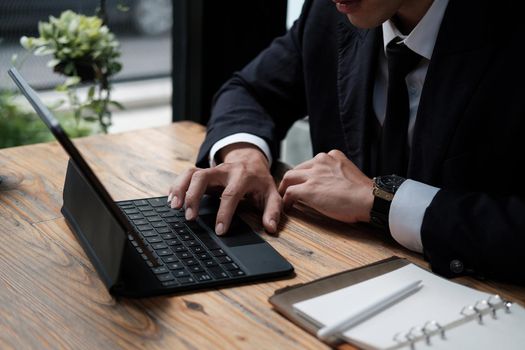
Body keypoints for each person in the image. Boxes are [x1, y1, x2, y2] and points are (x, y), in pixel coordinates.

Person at [168, 0, 525, 284]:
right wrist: (244, 155)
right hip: (331, 274)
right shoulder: (330, 12)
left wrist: (382, 201)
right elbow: (251, 90)